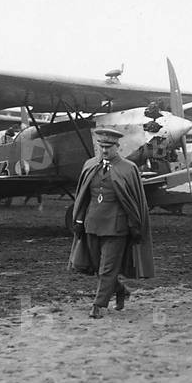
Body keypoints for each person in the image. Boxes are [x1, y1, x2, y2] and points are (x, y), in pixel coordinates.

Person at [69, 128, 154, 317]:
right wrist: (79, 220)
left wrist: (135, 224)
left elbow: (135, 201)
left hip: (117, 228)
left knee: (107, 268)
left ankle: (98, 306)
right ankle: (121, 290)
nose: (105, 150)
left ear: (118, 146)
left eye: (109, 147)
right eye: (101, 146)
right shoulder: (90, 165)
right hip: (92, 224)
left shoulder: (128, 168)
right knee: (98, 268)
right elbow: (82, 197)